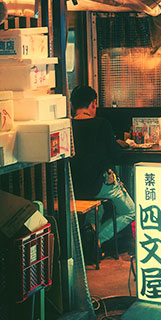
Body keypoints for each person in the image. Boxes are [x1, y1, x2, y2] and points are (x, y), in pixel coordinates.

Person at [69, 84, 136, 252]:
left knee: (95, 208)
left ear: (72, 105)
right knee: (130, 211)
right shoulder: (102, 124)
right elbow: (116, 155)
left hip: (75, 187)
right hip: (99, 186)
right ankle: (97, 240)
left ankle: (90, 230)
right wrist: (119, 144)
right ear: (93, 103)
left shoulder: (67, 126)